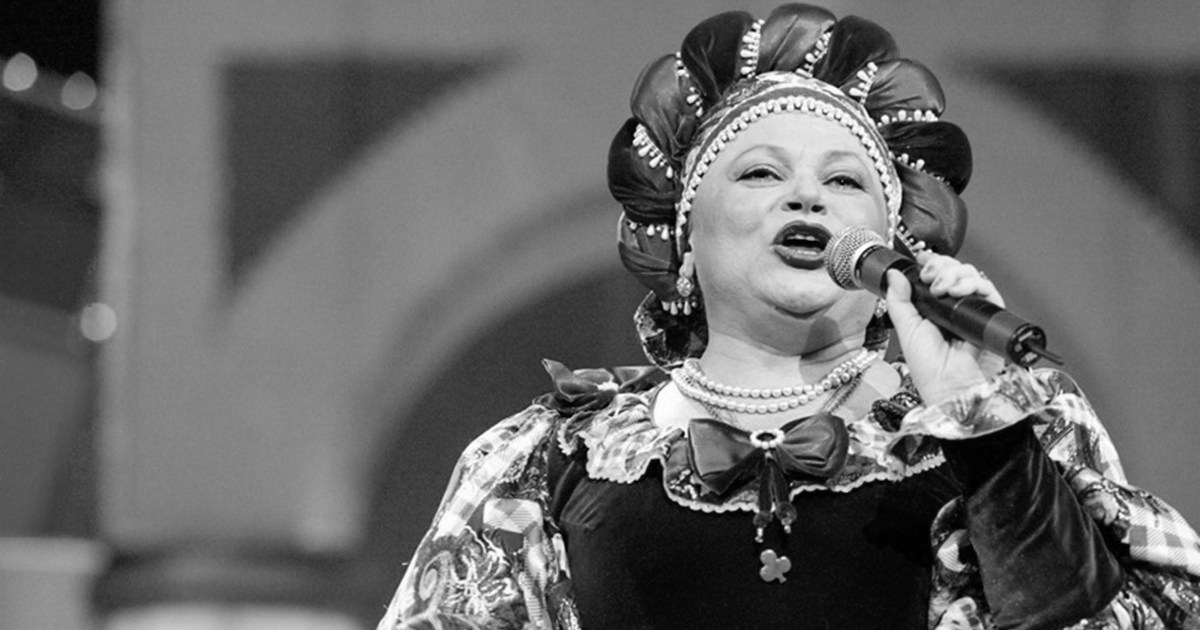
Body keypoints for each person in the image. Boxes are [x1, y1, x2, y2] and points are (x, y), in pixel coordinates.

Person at [377, 5, 1200, 629]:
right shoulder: (548, 459)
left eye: (844, 182)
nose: (807, 196)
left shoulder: (1009, 420)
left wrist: (985, 433)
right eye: (761, 173)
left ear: (892, 241)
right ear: (683, 244)